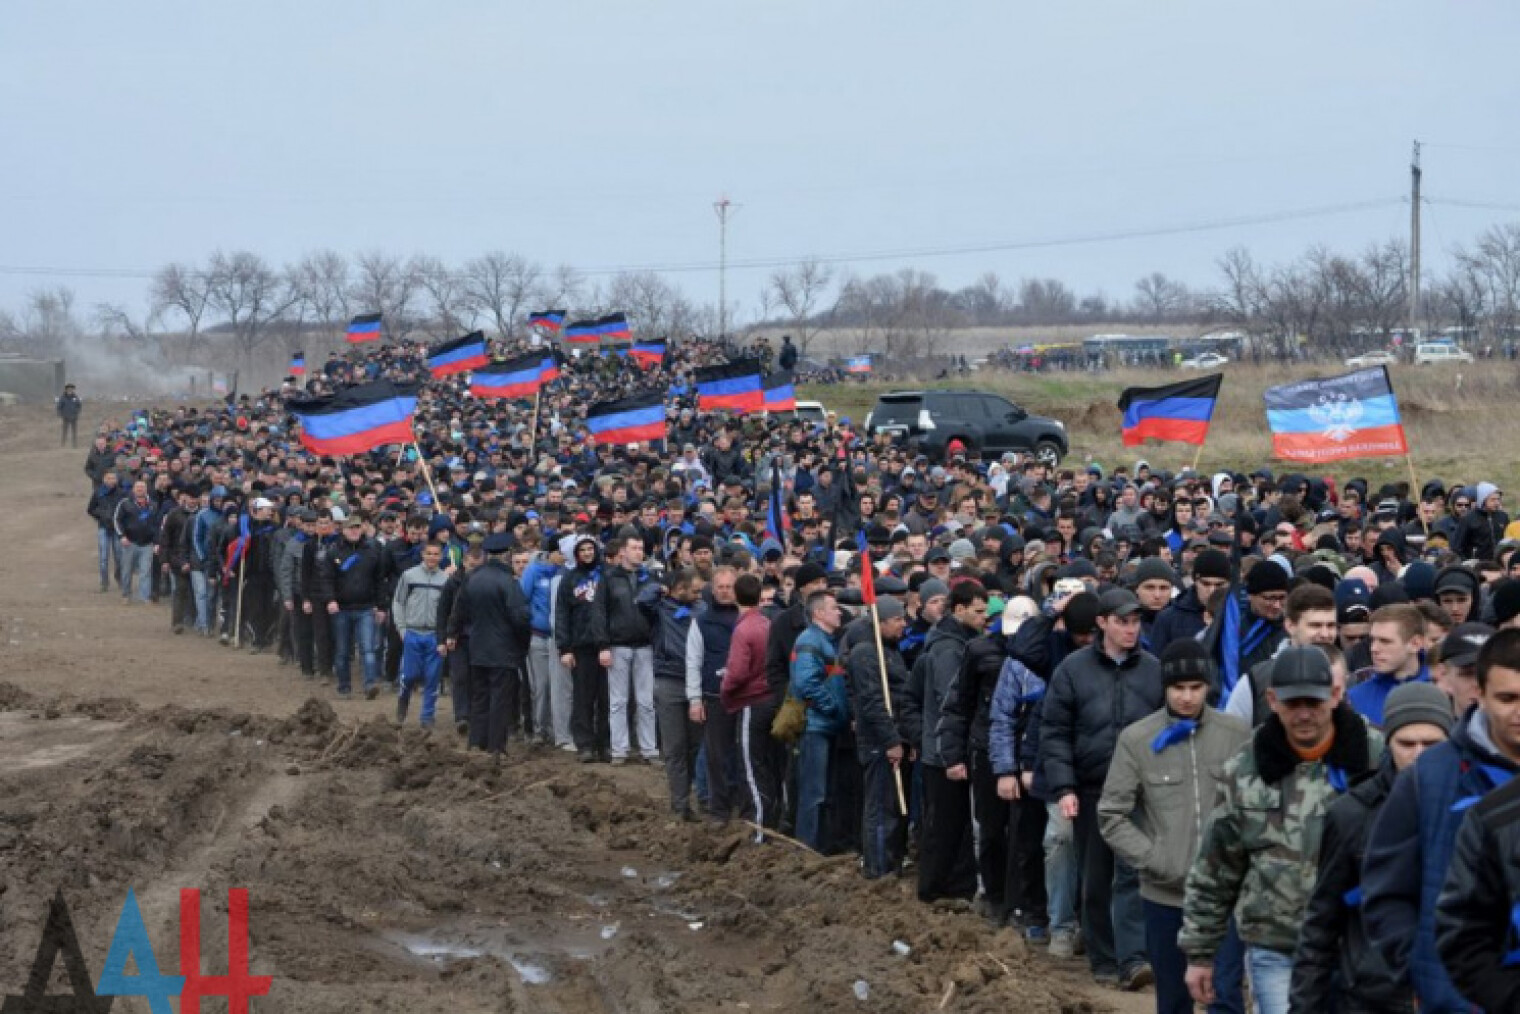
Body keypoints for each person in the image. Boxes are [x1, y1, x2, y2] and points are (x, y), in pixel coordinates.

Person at [1181, 646, 1383, 1014]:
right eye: (1293, 703)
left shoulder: (1375, 758)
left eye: (1314, 702)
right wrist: (1200, 953)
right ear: (1272, 700)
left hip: (1360, 944)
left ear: (1336, 695)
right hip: (1278, 945)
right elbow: (1215, 867)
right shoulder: (1244, 769)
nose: (1304, 714)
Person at [1361, 624, 1520, 1013]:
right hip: (1454, 999)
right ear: (1479, 694)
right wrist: (1421, 968)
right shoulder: (1429, 776)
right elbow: (1385, 889)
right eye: (1508, 698)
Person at [1098, 639, 1250, 1014]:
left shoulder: (1236, 734)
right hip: (1165, 895)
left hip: (1227, 896)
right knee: (1173, 1000)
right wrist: (1155, 858)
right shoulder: (1137, 740)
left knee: (1226, 995)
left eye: (1195, 687)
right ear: (1164, 688)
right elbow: (1112, 814)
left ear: (1208, 686)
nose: (1186, 697)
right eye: (1178, 688)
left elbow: (1256, 805)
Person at [1289, 682, 1452, 1014]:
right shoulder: (1352, 814)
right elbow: (1321, 924)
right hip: (1373, 997)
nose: (1420, 755)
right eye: (1407, 744)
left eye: (1432, 744)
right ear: (1388, 742)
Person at [1041, 587, 1163, 991]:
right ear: (1102, 623)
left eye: (1135, 622)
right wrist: (1064, 786)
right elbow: (1055, 732)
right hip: (1093, 787)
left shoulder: (1153, 670)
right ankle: (1104, 958)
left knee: (1134, 872)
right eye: (1122, 622)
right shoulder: (1073, 671)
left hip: (1140, 790)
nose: (1131, 630)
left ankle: (1133, 958)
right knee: (1096, 876)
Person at [905, 581, 987, 903]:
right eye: (979, 612)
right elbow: (950, 701)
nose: (984, 618)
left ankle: (955, 884)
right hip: (944, 752)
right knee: (946, 824)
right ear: (960, 610)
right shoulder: (949, 650)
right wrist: (950, 751)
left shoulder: (958, 642)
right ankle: (936, 887)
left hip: (945, 748)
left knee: (956, 824)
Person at [448, 532, 531, 754]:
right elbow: (520, 618)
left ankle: (476, 742)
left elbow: (458, 611)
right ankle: (496, 747)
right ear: (507, 555)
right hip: (503, 650)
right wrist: (523, 645)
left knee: (479, 697)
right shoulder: (509, 582)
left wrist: (454, 633)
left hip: (477, 647)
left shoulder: (472, 579)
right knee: (500, 700)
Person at [845, 595, 909, 877]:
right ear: (880, 622)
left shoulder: (891, 651)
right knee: (880, 807)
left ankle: (890, 859)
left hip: (892, 736)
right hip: (877, 743)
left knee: (891, 805)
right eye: (897, 620)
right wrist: (891, 740)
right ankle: (877, 866)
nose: (903, 625)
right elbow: (872, 702)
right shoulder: (866, 654)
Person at [1224, 584, 1338, 727]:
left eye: (1331, 626)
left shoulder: (1348, 676)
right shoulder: (1257, 680)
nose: (1325, 634)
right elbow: (1232, 738)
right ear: (1290, 625)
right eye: (1315, 625)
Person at [789, 589, 847, 853]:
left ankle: (822, 845)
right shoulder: (810, 641)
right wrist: (833, 708)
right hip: (816, 726)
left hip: (826, 725)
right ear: (819, 613)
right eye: (834, 608)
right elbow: (806, 684)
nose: (840, 612)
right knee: (814, 793)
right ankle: (806, 849)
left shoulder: (826, 641)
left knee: (825, 791)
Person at [721, 572, 776, 830]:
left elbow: (738, 671)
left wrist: (725, 688)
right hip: (769, 700)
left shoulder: (743, 629)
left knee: (751, 768)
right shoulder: (766, 623)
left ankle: (760, 829)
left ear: (735, 595)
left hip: (750, 702)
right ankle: (771, 822)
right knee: (766, 764)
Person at [687, 566, 742, 821]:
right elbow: (693, 660)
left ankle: (742, 805)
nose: (724, 591)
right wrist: (695, 699)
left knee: (742, 755)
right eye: (720, 586)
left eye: (729, 586)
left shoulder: (747, 617)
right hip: (714, 695)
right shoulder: (701, 621)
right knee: (716, 756)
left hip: (744, 696)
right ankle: (718, 809)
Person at [602, 534, 660, 765]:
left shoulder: (650, 578)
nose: (639, 552)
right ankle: (619, 749)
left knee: (646, 701)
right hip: (618, 644)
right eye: (634, 547)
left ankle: (649, 748)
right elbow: (600, 613)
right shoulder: (609, 579)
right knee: (618, 701)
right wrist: (603, 646)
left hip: (645, 645)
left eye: (641, 548)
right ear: (623, 551)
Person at [652, 567, 703, 819]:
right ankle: (680, 804)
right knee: (675, 747)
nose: (697, 594)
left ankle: (694, 794)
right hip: (669, 679)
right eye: (692, 590)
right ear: (678, 589)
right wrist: (660, 587)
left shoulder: (701, 610)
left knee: (696, 745)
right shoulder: (660, 608)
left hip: (696, 681)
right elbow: (641, 599)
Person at [555, 535, 611, 763]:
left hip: (606, 645)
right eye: (583, 550)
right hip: (581, 646)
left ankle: (605, 743)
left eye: (591, 549)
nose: (587, 553)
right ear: (576, 554)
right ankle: (585, 744)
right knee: (583, 697)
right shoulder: (569, 579)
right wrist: (564, 648)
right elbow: (561, 614)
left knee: (607, 698)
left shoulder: (607, 575)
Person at [316, 515, 384, 699]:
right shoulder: (333, 551)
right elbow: (326, 578)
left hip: (366, 607)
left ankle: (370, 684)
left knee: (368, 648)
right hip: (342, 609)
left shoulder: (372, 550)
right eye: (350, 528)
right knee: (343, 651)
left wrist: (380, 606)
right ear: (343, 530)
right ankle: (344, 686)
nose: (354, 531)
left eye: (357, 527)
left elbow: (379, 580)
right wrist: (330, 599)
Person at [392, 541, 449, 727]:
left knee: (432, 678)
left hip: (434, 634)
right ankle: (403, 698)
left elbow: (449, 609)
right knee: (409, 675)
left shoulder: (445, 580)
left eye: (436, 554)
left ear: (441, 557)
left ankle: (427, 717)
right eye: (429, 553)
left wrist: (445, 634)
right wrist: (402, 628)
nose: (432, 557)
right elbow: (398, 602)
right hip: (413, 632)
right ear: (422, 555)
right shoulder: (409, 576)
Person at [1346, 603, 1429, 727]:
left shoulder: (1445, 691)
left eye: (1385, 641)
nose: (1374, 649)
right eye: (1372, 640)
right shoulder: (1354, 698)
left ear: (1416, 644)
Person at [113, 479, 160, 604]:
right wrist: (122, 536)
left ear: (146, 489)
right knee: (127, 570)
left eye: (142, 487)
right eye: (138, 487)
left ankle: (145, 597)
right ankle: (126, 595)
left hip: (147, 544)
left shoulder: (153, 505)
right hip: (130, 542)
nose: (140, 489)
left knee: (146, 571)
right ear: (133, 489)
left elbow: (157, 525)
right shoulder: (125, 503)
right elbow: (117, 520)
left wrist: (157, 542)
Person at [87, 470, 126, 593]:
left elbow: (126, 509)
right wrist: (101, 516)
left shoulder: (122, 493)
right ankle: (104, 582)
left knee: (119, 556)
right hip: (103, 527)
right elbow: (90, 509)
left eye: (113, 478)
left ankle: (119, 577)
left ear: (116, 480)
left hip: (117, 529)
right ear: (104, 480)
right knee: (103, 557)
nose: (111, 481)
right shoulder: (98, 492)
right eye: (108, 478)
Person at [56, 383, 81, 447]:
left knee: (74, 432)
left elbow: (79, 405)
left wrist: (77, 412)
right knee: (65, 431)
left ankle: (74, 444)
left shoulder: (75, 397)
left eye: (71, 389)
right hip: (66, 417)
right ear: (66, 390)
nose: (70, 390)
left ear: (73, 390)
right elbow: (59, 407)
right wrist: (60, 414)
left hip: (74, 417)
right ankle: (63, 444)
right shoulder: (63, 398)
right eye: (69, 389)